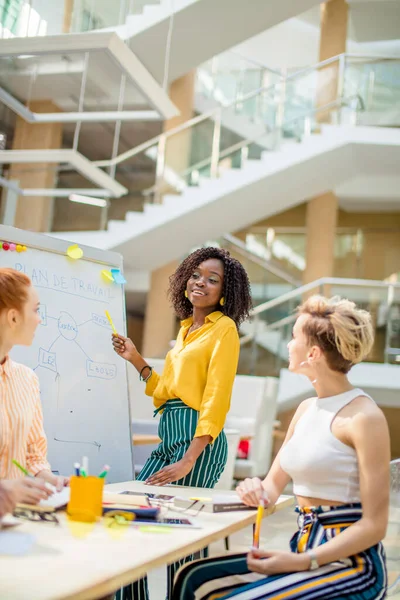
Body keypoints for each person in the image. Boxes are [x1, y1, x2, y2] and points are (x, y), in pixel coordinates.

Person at [172, 295, 390, 600]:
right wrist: (253, 488)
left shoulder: (364, 418)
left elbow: (375, 526)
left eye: (294, 338)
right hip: (302, 548)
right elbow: (271, 489)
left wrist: (303, 561)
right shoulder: (304, 409)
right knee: (194, 578)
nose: (289, 345)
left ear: (313, 353)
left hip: (350, 565)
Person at [112, 246, 252, 600]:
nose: (200, 283)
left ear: (225, 292)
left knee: (182, 541)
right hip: (170, 434)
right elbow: (166, 391)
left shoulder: (225, 330)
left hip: (197, 445)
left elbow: (216, 397)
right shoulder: (187, 330)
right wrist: (135, 357)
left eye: (212, 279)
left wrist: (190, 458)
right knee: (131, 521)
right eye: (195, 275)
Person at [0, 268, 69, 491]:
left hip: (14, 517)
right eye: (36, 310)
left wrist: (51, 479)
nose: (39, 320)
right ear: (13, 317)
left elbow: (31, 451)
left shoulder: (26, 379)